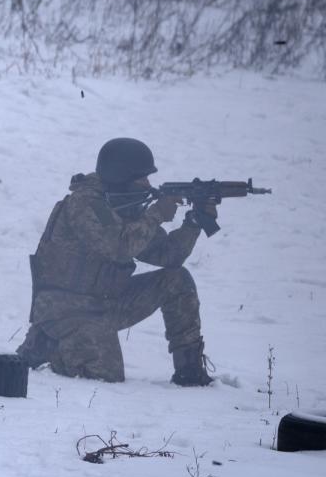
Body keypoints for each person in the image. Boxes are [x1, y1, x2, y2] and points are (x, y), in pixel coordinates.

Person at [16, 137, 216, 386]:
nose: (148, 184)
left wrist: (194, 223)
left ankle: (190, 372)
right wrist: (156, 214)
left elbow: (168, 256)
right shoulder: (85, 204)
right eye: (142, 178)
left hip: (103, 302)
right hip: (65, 309)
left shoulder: (124, 205)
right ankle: (49, 344)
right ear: (121, 176)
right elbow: (118, 247)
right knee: (105, 376)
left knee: (177, 280)